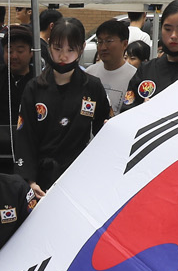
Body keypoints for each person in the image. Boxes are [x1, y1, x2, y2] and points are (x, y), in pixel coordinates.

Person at [15, 18, 109, 192]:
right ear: (49, 45)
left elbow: (104, 131)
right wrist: (30, 181)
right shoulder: (34, 88)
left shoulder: (93, 87)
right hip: (41, 176)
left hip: (78, 174)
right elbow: (24, 137)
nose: (63, 56)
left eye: (70, 49)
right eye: (58, 48)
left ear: (81, 48)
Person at [124, 0, 178, 109]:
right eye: (168, 29)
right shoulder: (146, 70)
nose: (173, 35)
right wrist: (141, 109)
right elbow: (127, 109)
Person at [85, 16, 135, 113]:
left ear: (124, 44)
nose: (103, 47)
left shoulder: (134, 77)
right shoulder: (90, 73)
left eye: (109, 41)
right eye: (100, 42)